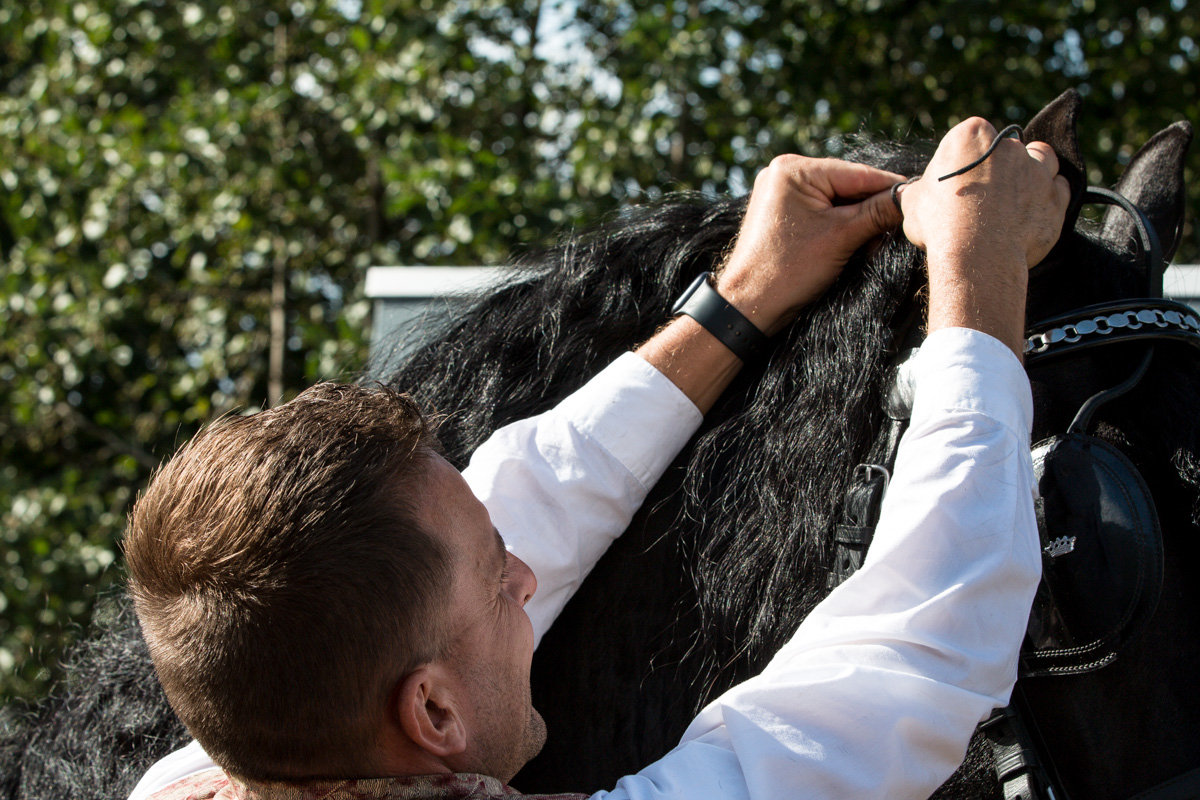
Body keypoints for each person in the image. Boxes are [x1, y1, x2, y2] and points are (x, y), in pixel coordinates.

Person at [126, 117, 1070, 800]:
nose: (528, 573)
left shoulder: (191, 777)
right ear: (434, 715)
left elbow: (535, 485)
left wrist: (743, 298)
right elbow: (915, 648)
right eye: (499, 577)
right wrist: (979, 260)